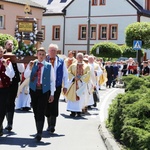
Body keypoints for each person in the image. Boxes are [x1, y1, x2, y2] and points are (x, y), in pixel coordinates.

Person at [24, 47, 55, 141]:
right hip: (34, 90)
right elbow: (26, 76)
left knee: (41, 110)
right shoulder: (32, 64)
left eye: (43, 55)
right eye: (39, 54)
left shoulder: (48, 65)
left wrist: (52, 94)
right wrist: (29, 68)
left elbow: (52, 80)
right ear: (37, 55)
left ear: (45, 56)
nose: (41, 56)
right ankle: (38, 129)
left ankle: (39, 132)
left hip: (43, 90)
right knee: (35, 111)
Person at [45, 43, 68, 133]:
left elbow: (65, 74)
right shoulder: (45, 59)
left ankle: (52, 125)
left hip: (57, 86)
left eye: (54, 50)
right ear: (48, 51)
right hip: (46, 86)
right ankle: (48, 123)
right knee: (47, 104)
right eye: (51, 50)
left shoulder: (61, 61)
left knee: (54, 104)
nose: (53, 52)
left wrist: (65, 86)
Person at [4, 40, 25, 131]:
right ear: (5, 46)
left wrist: (18, 60)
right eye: (9, 44)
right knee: (3, 102)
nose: (10, 45)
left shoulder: (16, 55)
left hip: (14, 82)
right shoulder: (2, 55)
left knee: (11, 102)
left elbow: (21, 70)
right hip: (4, 83)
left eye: (12, 44)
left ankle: (10, 123)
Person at [65, 53, 90, 117]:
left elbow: (88, 74)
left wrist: (81, 78)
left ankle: (79, 111)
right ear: (76, 58)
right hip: (74, 84)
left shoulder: (86, 66)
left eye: (81, 57)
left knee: (81, 98)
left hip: (81, 84)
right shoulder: (73, 65)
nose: (80, 58)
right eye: (79, 57)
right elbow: (69, 72)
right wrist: (74, 78)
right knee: (73, 96)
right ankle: (72, 111)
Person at [0, 46, 15, 136]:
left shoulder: (7, 62)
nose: (0, 53)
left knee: (2, 109)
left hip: (4, 89)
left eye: (1, 51)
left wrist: (6, 66)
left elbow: (11, 75)